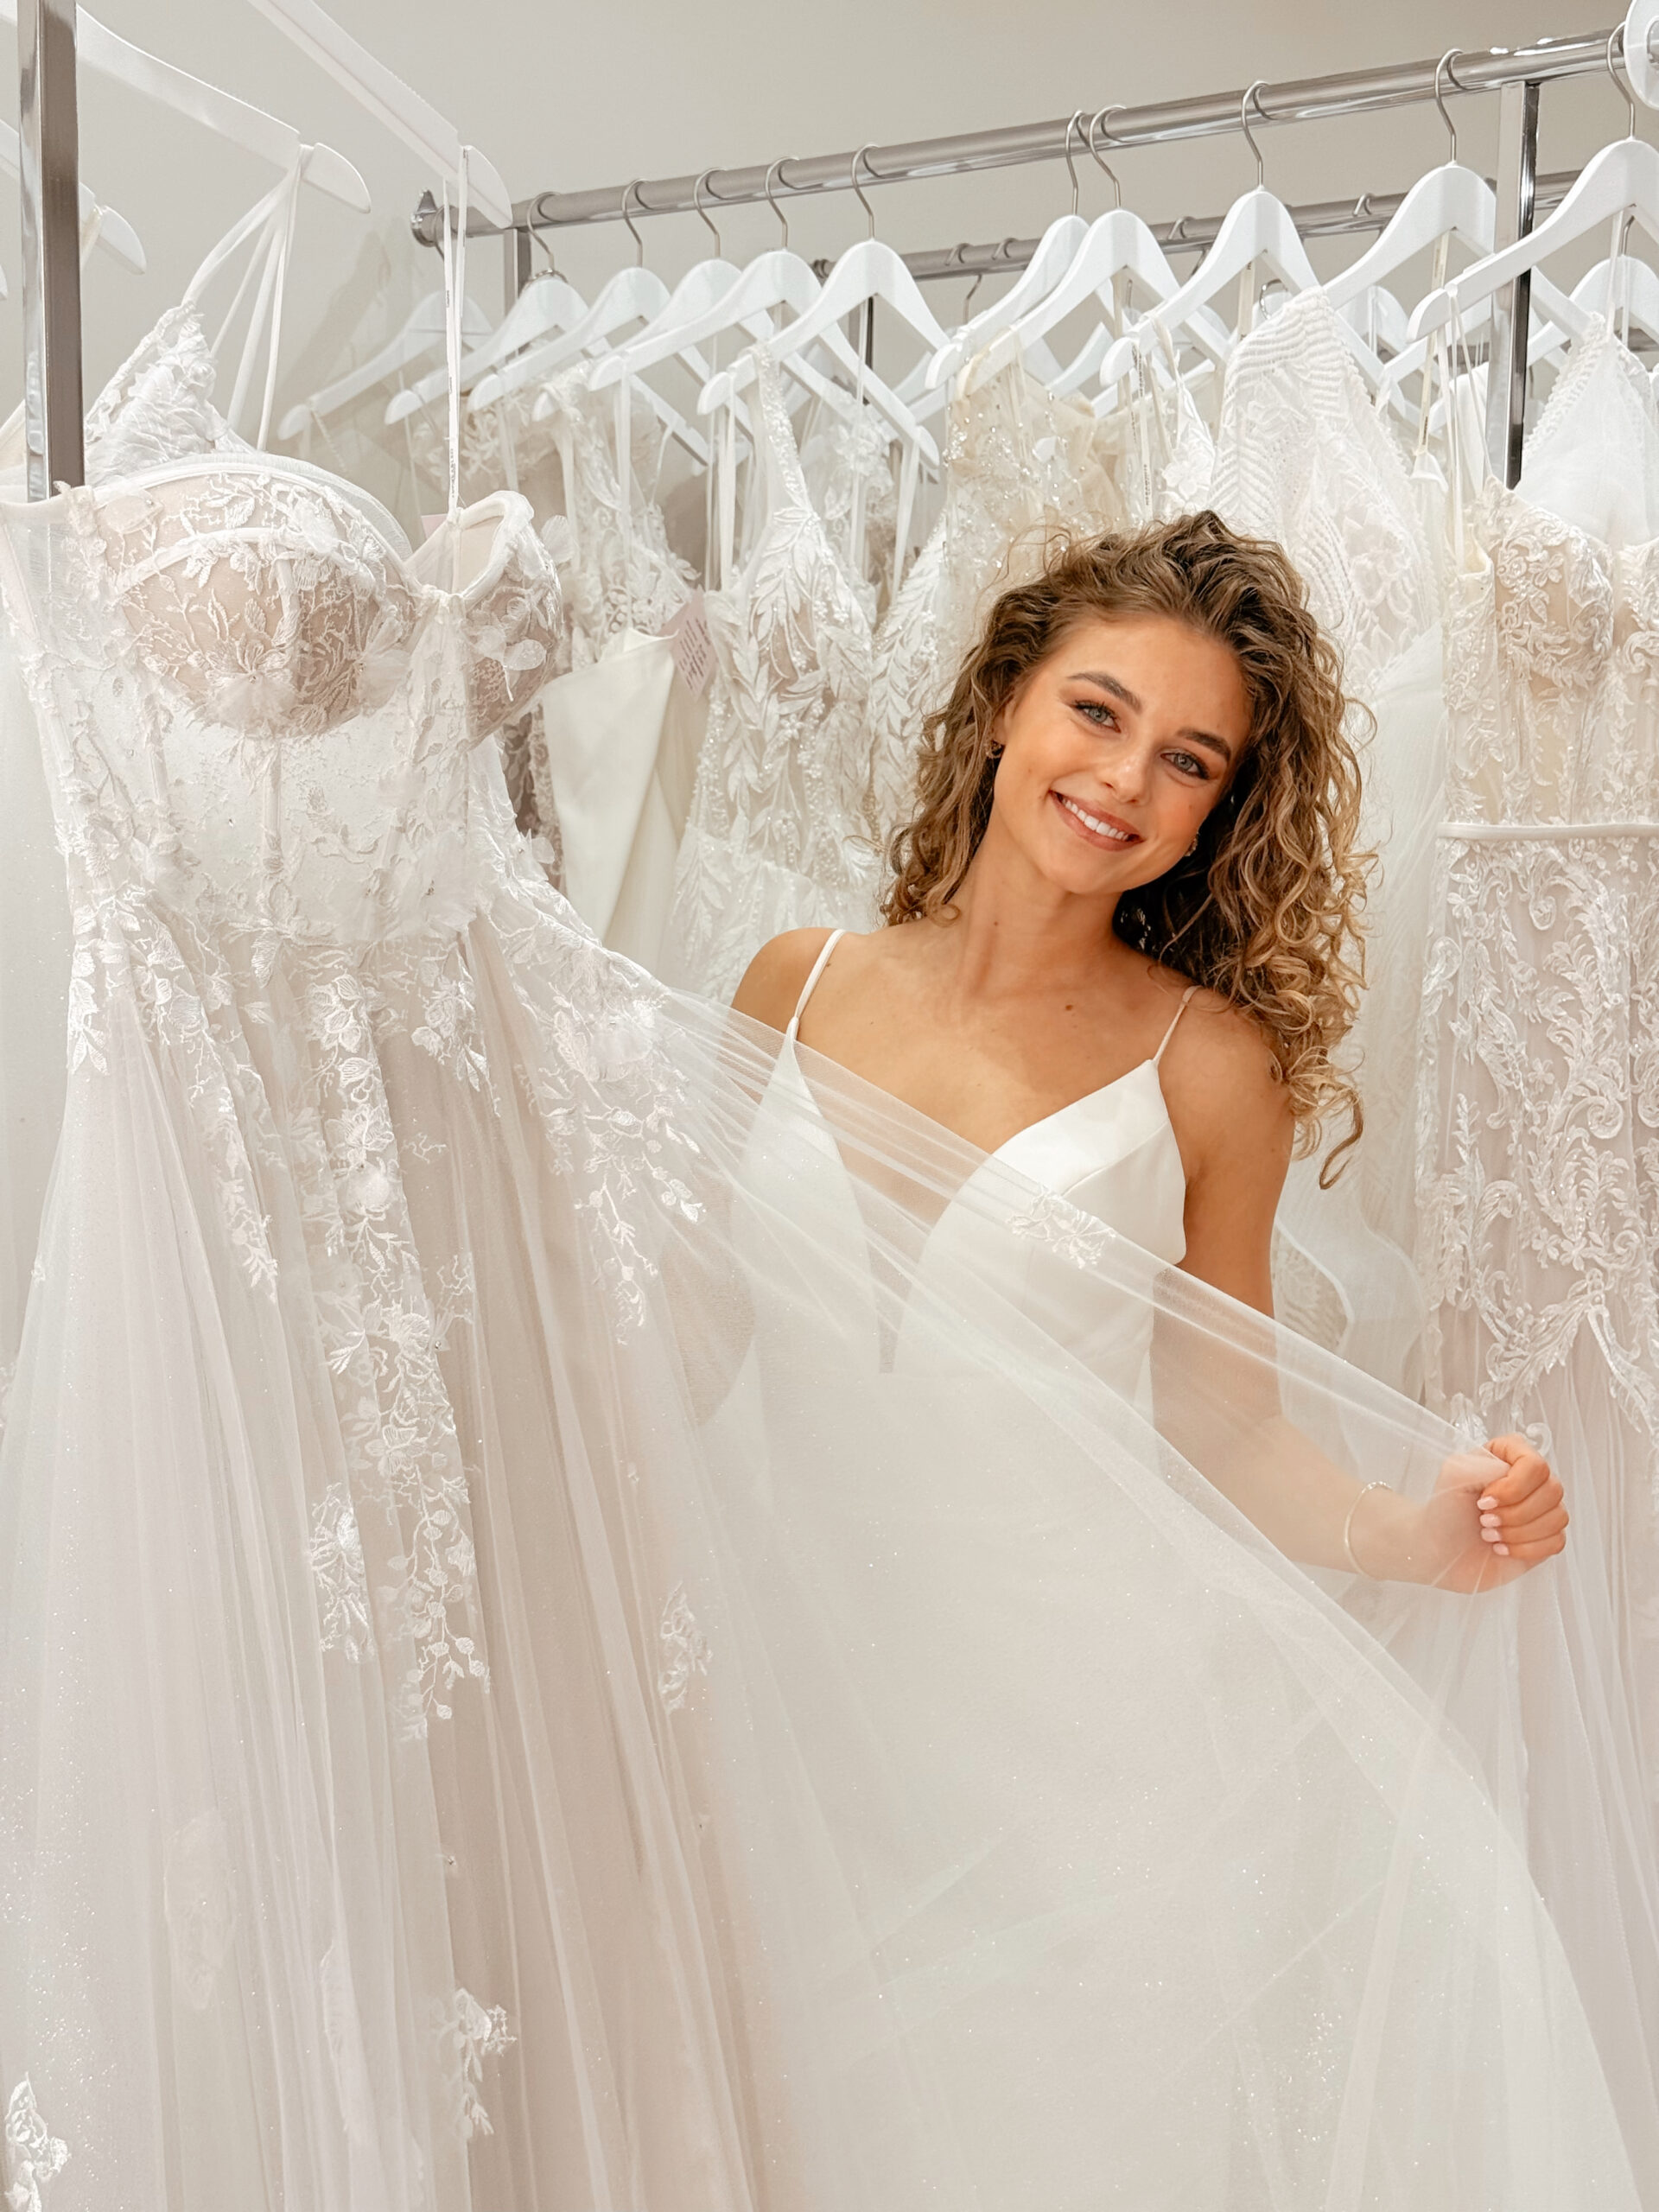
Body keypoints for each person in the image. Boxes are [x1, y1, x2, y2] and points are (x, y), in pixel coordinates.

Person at [735, 512, 1567, 1587]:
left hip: (1056, 1670)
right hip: (771, 1629)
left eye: (1187, 759)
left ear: (1216, 814)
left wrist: (1420, 1539)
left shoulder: (1207, 1067)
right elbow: (686, 1333)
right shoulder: (794, 984)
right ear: (1001, 705)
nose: (1127, 778)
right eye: (1095, 712)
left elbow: (1230, 1433)